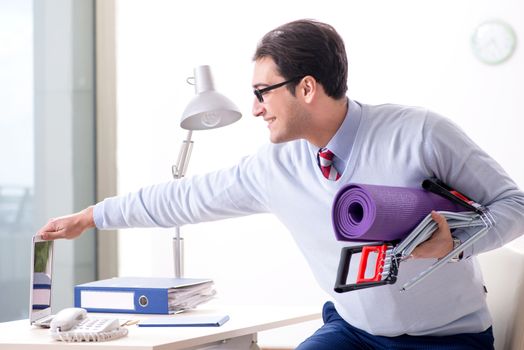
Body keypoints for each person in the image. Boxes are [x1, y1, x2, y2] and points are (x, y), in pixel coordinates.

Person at [38, 19, 524, 349]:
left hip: (447, 339)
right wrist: (91, 216)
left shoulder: (419, 133)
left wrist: (454, 241)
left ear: (306, 88)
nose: (254, 109)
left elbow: (514, 204)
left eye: (261, 93)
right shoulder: (276, 166)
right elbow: (184, 197)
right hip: (354, 333)